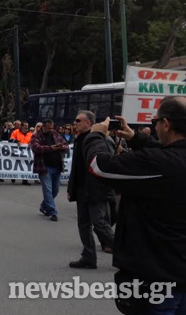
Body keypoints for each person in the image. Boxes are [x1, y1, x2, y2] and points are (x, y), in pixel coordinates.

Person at [84, 97, 186, 315]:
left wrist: (95, 135)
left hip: (159, 275)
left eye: (155, 121)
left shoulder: (160, 163)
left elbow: (99, 166)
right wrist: (137, 139)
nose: (154, 126)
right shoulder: (167, 160)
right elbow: (171, 154)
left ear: (166, 124)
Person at [66, 110, 115, 269]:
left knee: (99, 222)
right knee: (83, 223)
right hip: (82, 189)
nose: (75, 123)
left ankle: (126, 252)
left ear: (89, 123)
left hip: (97, 188)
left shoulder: (101, 140)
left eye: (78, 121)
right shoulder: (79, 139)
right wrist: (71, 188)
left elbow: (107, 163)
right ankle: (88, 256)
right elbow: (76, 167)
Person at [30, 119, 68, 222]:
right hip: (44, 167)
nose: (51, 130)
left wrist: (61, 147)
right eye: (48, 128)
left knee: (55, 190)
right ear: (43, 127)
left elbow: (66, 145)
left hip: (57, 166)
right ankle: (52, 212)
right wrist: (51, 148)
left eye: (52, 128)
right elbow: (36, 148)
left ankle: (44, 206)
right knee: (48, 189)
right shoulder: (36, 136)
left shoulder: (55, 134)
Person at [10, 121, 33, 185]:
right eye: (25, 125)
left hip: (26, 152)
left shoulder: (30, 134)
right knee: (16, 164)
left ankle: (25, 180)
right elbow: (11, 139)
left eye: (27, 125)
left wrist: (31, 143)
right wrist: (16, 141)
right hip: (17, 151)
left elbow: (33, 140)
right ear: (21, 126)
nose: (27, 127)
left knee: (25, 165)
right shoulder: (16, 132)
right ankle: (13, 175)